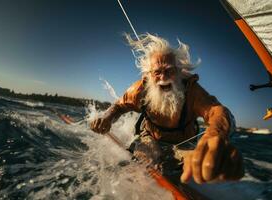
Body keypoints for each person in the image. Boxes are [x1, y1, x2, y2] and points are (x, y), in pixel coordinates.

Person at [91, 33, 244, 184]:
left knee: (192, 164)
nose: (163, 78)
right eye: (157, 72)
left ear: (178, 71)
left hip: (184, 142)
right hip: (150, 137)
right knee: (146, 161)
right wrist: (107, 118)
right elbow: (119, 106)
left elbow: (218, 112)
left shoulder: (192, 91)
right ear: (149, 75)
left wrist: (215, 135)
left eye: (169, 71)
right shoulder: (139, 89)